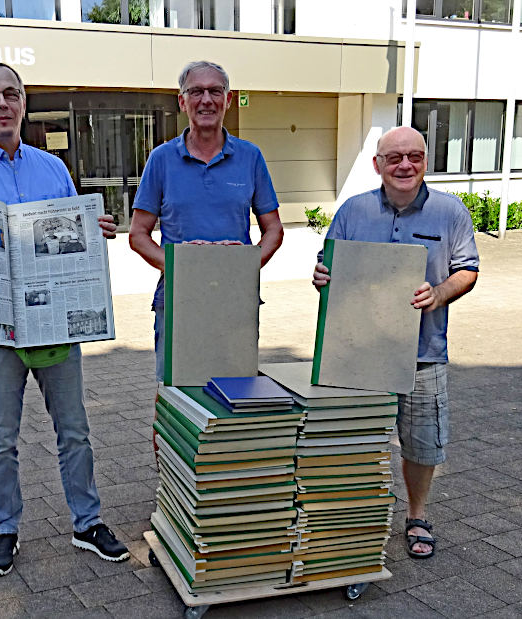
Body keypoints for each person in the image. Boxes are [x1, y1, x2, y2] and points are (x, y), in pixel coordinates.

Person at [0, 61, 129, 577]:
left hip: (55, 327)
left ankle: (87, 523)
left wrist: (94, 232)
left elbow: (68, 249)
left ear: (23, 102)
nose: (2, 104)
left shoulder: (54, 170)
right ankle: (5, 528)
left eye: (12, 94)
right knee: (0, 437)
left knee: (75, 430)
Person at [312, 126, 479, 560]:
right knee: (355, 438)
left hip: (423, 352)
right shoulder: (352, 211)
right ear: (378, 165)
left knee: (422, 442)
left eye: (415, 156)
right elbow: (326, 265)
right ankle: (354, 518)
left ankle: (417, 515)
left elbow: (467, 269)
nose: (405, 165)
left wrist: (440, 293)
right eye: (395, 158)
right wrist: (321, 277)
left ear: (425, 161)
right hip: (358, 351)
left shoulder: (451, 211)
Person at [128, 60, 284, 382]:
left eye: (215, 91)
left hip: (235, 296)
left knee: (236, 391)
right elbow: (138, 235)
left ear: (228, 100)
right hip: (176, 297)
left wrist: (245, 264)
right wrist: (179, 265)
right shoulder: (161, 159)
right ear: (182, 101)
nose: (206, 100)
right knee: (174, 392)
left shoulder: (250, 157)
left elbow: (274, 229)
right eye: (196, 91)